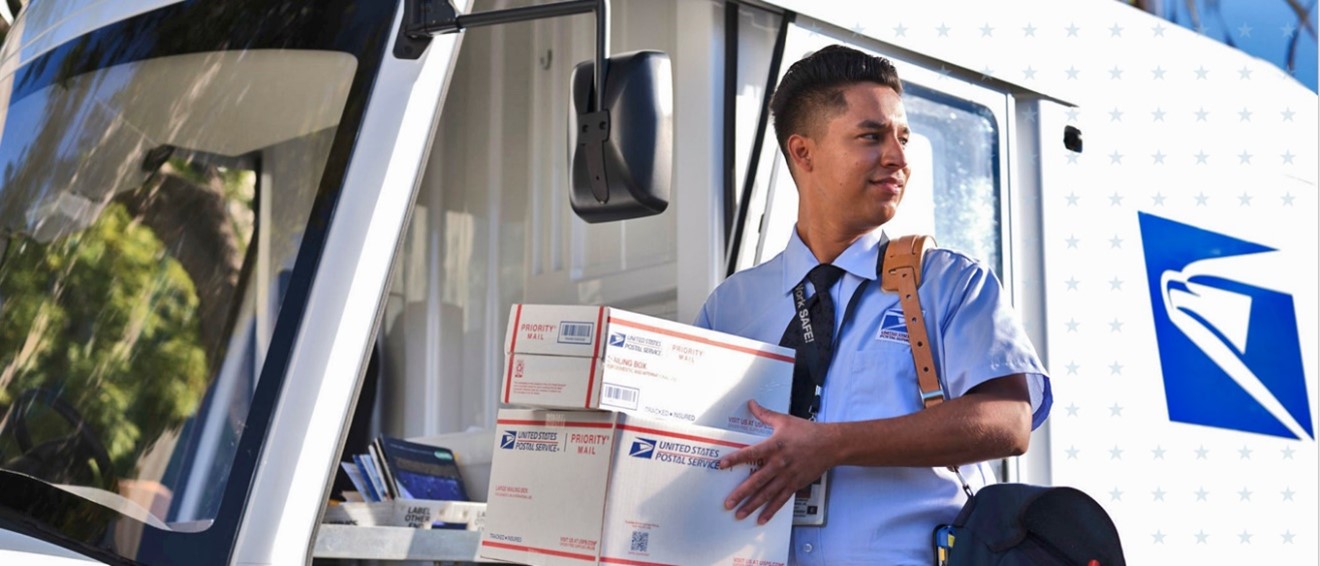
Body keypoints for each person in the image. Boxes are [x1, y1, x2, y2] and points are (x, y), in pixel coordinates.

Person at [695, 45, 1052, 565]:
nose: (899, 157)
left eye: (903, 138)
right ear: (804, 152)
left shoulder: (949, 284)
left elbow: (1009, 422)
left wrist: (832, 444)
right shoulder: (731, 307)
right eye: (872, 136)